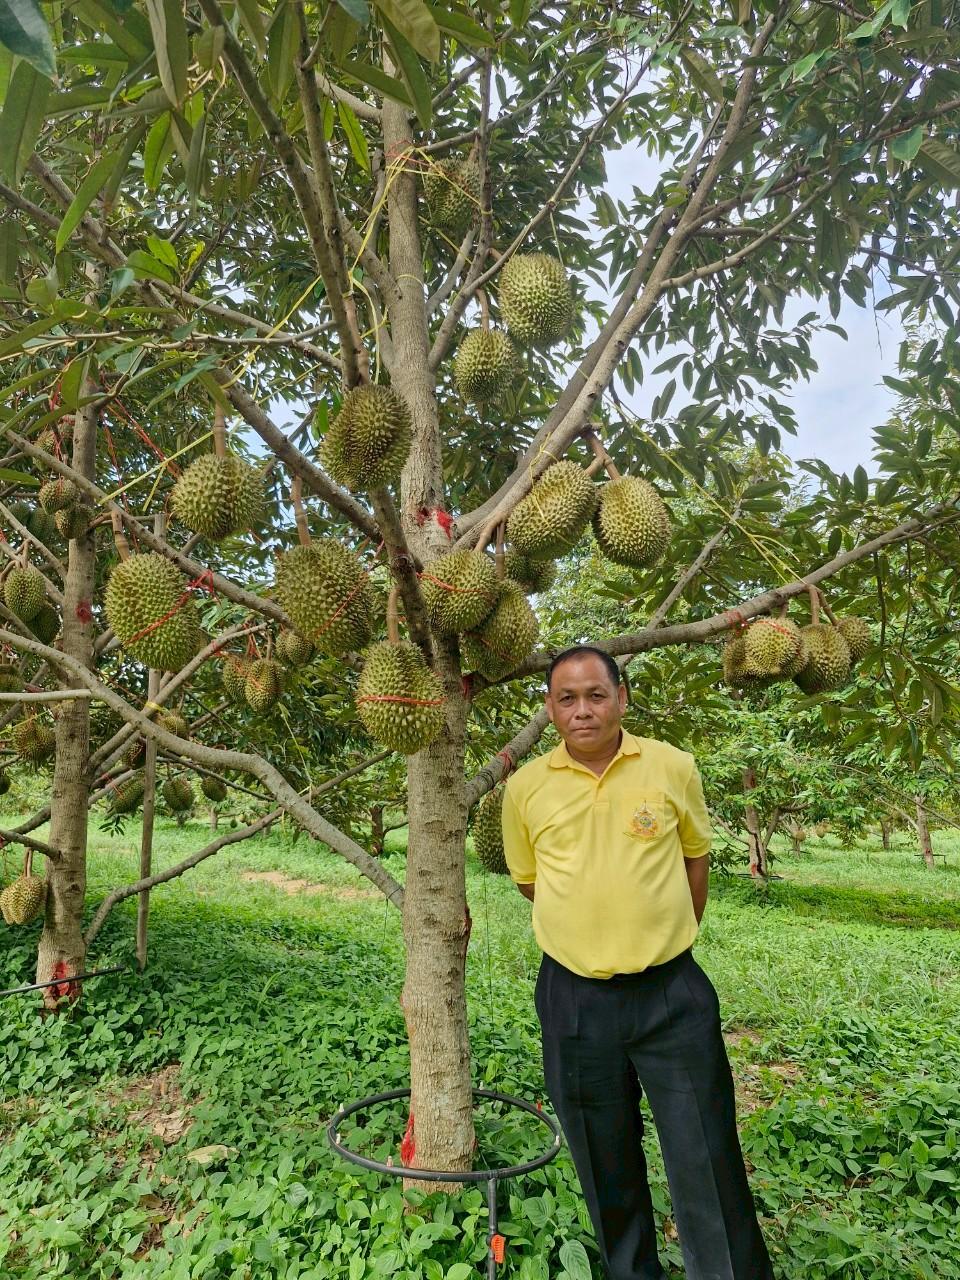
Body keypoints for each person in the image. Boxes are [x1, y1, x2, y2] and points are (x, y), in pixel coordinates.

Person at [501, 645, 774, 1280]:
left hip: (670, 993)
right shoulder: (525, 788)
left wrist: (657, 931)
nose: (583, 710)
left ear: (622, 698)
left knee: (704, 1153)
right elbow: (529, 881)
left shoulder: (672, 767)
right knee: (603, 1158)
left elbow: (694, 863)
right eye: (566, 699)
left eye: (596, 695)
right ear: (549, 709)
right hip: (573, 997)